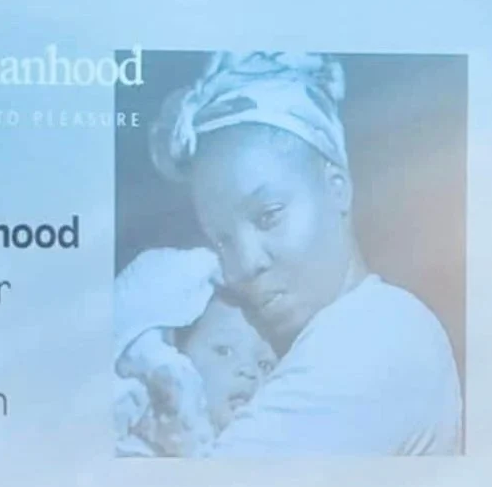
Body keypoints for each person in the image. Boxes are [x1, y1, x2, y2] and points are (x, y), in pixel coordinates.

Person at [147, 51, 463, 456]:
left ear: (336, 187)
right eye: (222, 241)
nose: (244, 265)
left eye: (268, 216)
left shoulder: (376, 334)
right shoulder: (311, 345)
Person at [114, 246, 277, 456]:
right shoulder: (139, 417)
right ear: (180, 353)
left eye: (264, 364)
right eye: (224, 351)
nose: (249, 370)